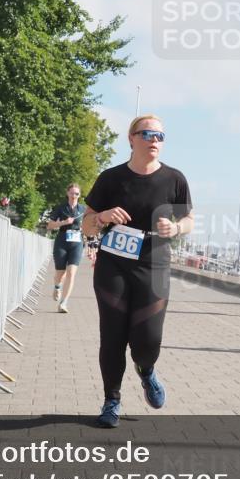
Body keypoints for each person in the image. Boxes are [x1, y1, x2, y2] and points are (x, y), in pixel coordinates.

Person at [81, 115, 193, 428]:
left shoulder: (174, 179)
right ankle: (111, 401)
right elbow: (86, 224)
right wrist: (102, 215)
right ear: (131, 138)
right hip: (113, 264)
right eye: (147, 133)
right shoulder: (111, 178)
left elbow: (189, 221)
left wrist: (175, 227)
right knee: (113, 335)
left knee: (148, 337)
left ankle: (146, 371)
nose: (154, 139)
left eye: (160, 135)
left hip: (154, 265)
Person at [47, 183, 85, 313]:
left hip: (77, 242)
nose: (74, 196)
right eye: (72, 193)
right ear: (67, 193)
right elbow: (49, 226)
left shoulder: (83, 209)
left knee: (71, 272)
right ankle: (57, 286)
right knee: (60, 273)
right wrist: (63, 222)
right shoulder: (61, 208)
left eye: (77, 194)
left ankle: (63, 303)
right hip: (62, 241)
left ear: (79, 195)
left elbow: (90, 224)